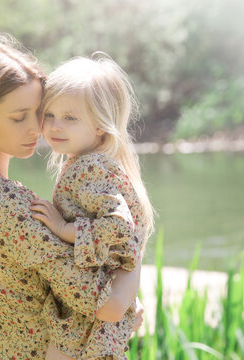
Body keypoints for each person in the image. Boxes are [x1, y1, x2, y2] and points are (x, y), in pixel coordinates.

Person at [0, 33, 143, 359]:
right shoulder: (12, 209)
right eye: (19, 117)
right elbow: (112, 305)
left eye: (39, 112)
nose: (37, 129)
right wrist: (136, 235)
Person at [30, 55, 154, 359]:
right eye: (49, 114)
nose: (55, 126)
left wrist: (62, 228)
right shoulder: (85, 161)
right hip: (96, 304)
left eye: (70, 118)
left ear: (100, 125)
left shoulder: (91, 168)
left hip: (91, 316)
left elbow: (119, 227)